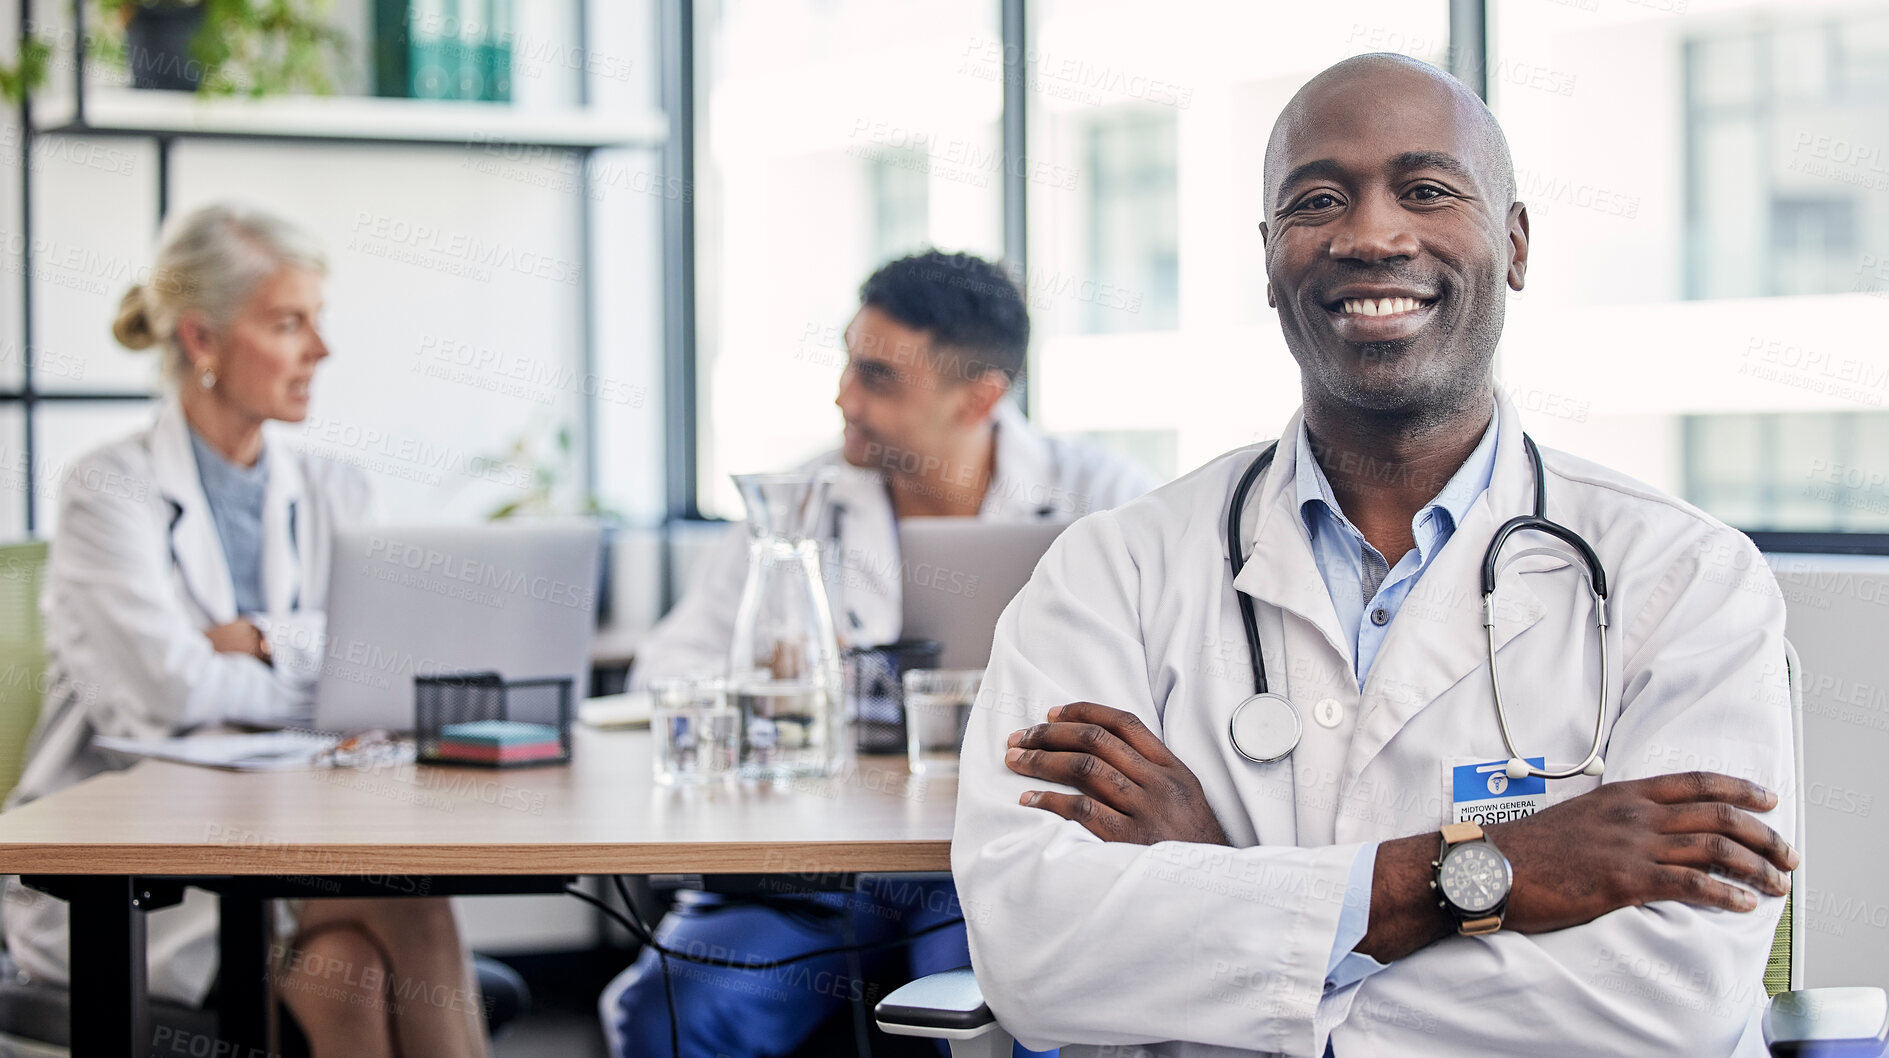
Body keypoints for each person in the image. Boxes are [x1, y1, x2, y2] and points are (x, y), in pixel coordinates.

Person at [954, 54, 1798, 1058]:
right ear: (1269, 260)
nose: (1368, 234)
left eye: (1426, 189)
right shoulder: (1110, 571)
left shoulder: (1685, 577)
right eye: (1317, 199)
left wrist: (1235, 902)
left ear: (1513, 242)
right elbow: (1037, 951)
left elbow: (1667, 998)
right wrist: (1485, 872)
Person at [604, 250, 1158, 1057]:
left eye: (877, 378)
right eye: (846, 365)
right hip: (814, 871)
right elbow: (663, 674)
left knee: (1005, 1009)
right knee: (670, 1012)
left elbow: (1166, 692)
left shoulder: (1104, 498)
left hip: (1002, 859)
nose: (843, 398)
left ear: (979, 397)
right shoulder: (794, 505)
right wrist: (768, 666)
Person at [1, 203, 493, 1058]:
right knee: (399, 909)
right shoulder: (106, 489)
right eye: (288, 323)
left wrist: (260, 637)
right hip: (144, 875)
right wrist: (320, 661)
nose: (321, 351)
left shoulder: (338, 490)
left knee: (353, 966)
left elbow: (379, 673)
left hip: (298, 851)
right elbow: (172, 693)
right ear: (202, 340)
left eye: (317, 320)